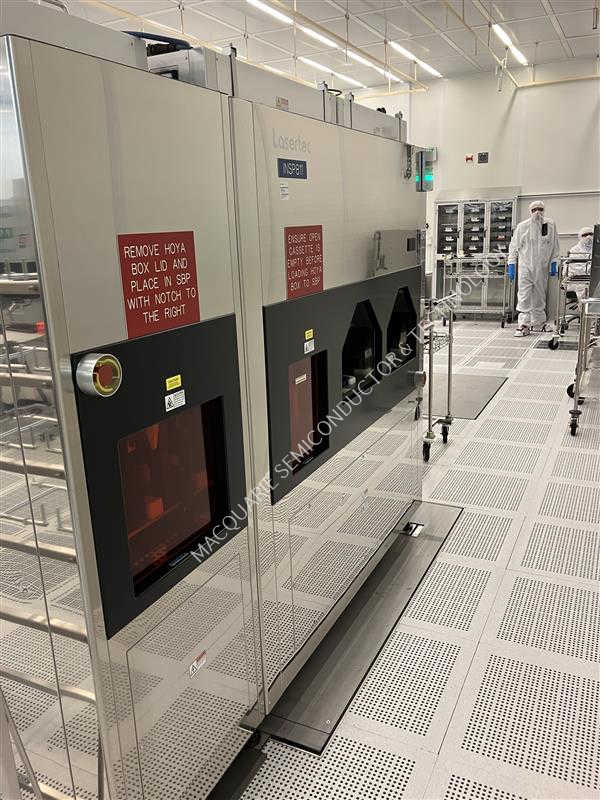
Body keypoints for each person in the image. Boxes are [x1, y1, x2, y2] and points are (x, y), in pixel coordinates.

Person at [508, 200, 560, 336]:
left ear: (544, 210)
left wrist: (554, 262)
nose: (537, 212)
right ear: (530, 212)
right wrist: (511, 264)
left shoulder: (550, 225)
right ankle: (523, 325)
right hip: (525, 267)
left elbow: (555, 245)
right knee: (524, 295)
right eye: (534, 210)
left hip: (542, 268)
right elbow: (513, 246)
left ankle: (538, 323)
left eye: (540, 209)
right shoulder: (522, 226)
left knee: (540, 295)